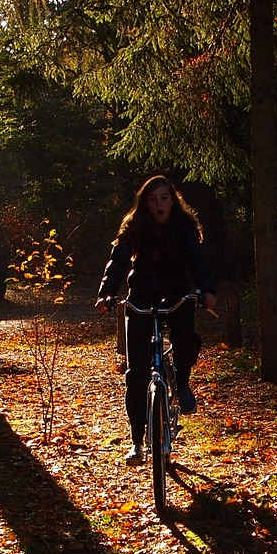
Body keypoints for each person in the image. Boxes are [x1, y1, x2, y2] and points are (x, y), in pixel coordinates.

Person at [96, 176, 218, 465]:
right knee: (136, 373)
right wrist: (107, 294)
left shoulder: (184, 228)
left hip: (177, 296)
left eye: (164, 198)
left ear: (172, 200)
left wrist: (208, 291)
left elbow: (198, 261)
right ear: (145, 203)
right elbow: (118, 262)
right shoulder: (134, 227)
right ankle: (137, 442)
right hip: (140, 299)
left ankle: (183, 383)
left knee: (185, 341)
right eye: (153, 199)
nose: (159, 204)